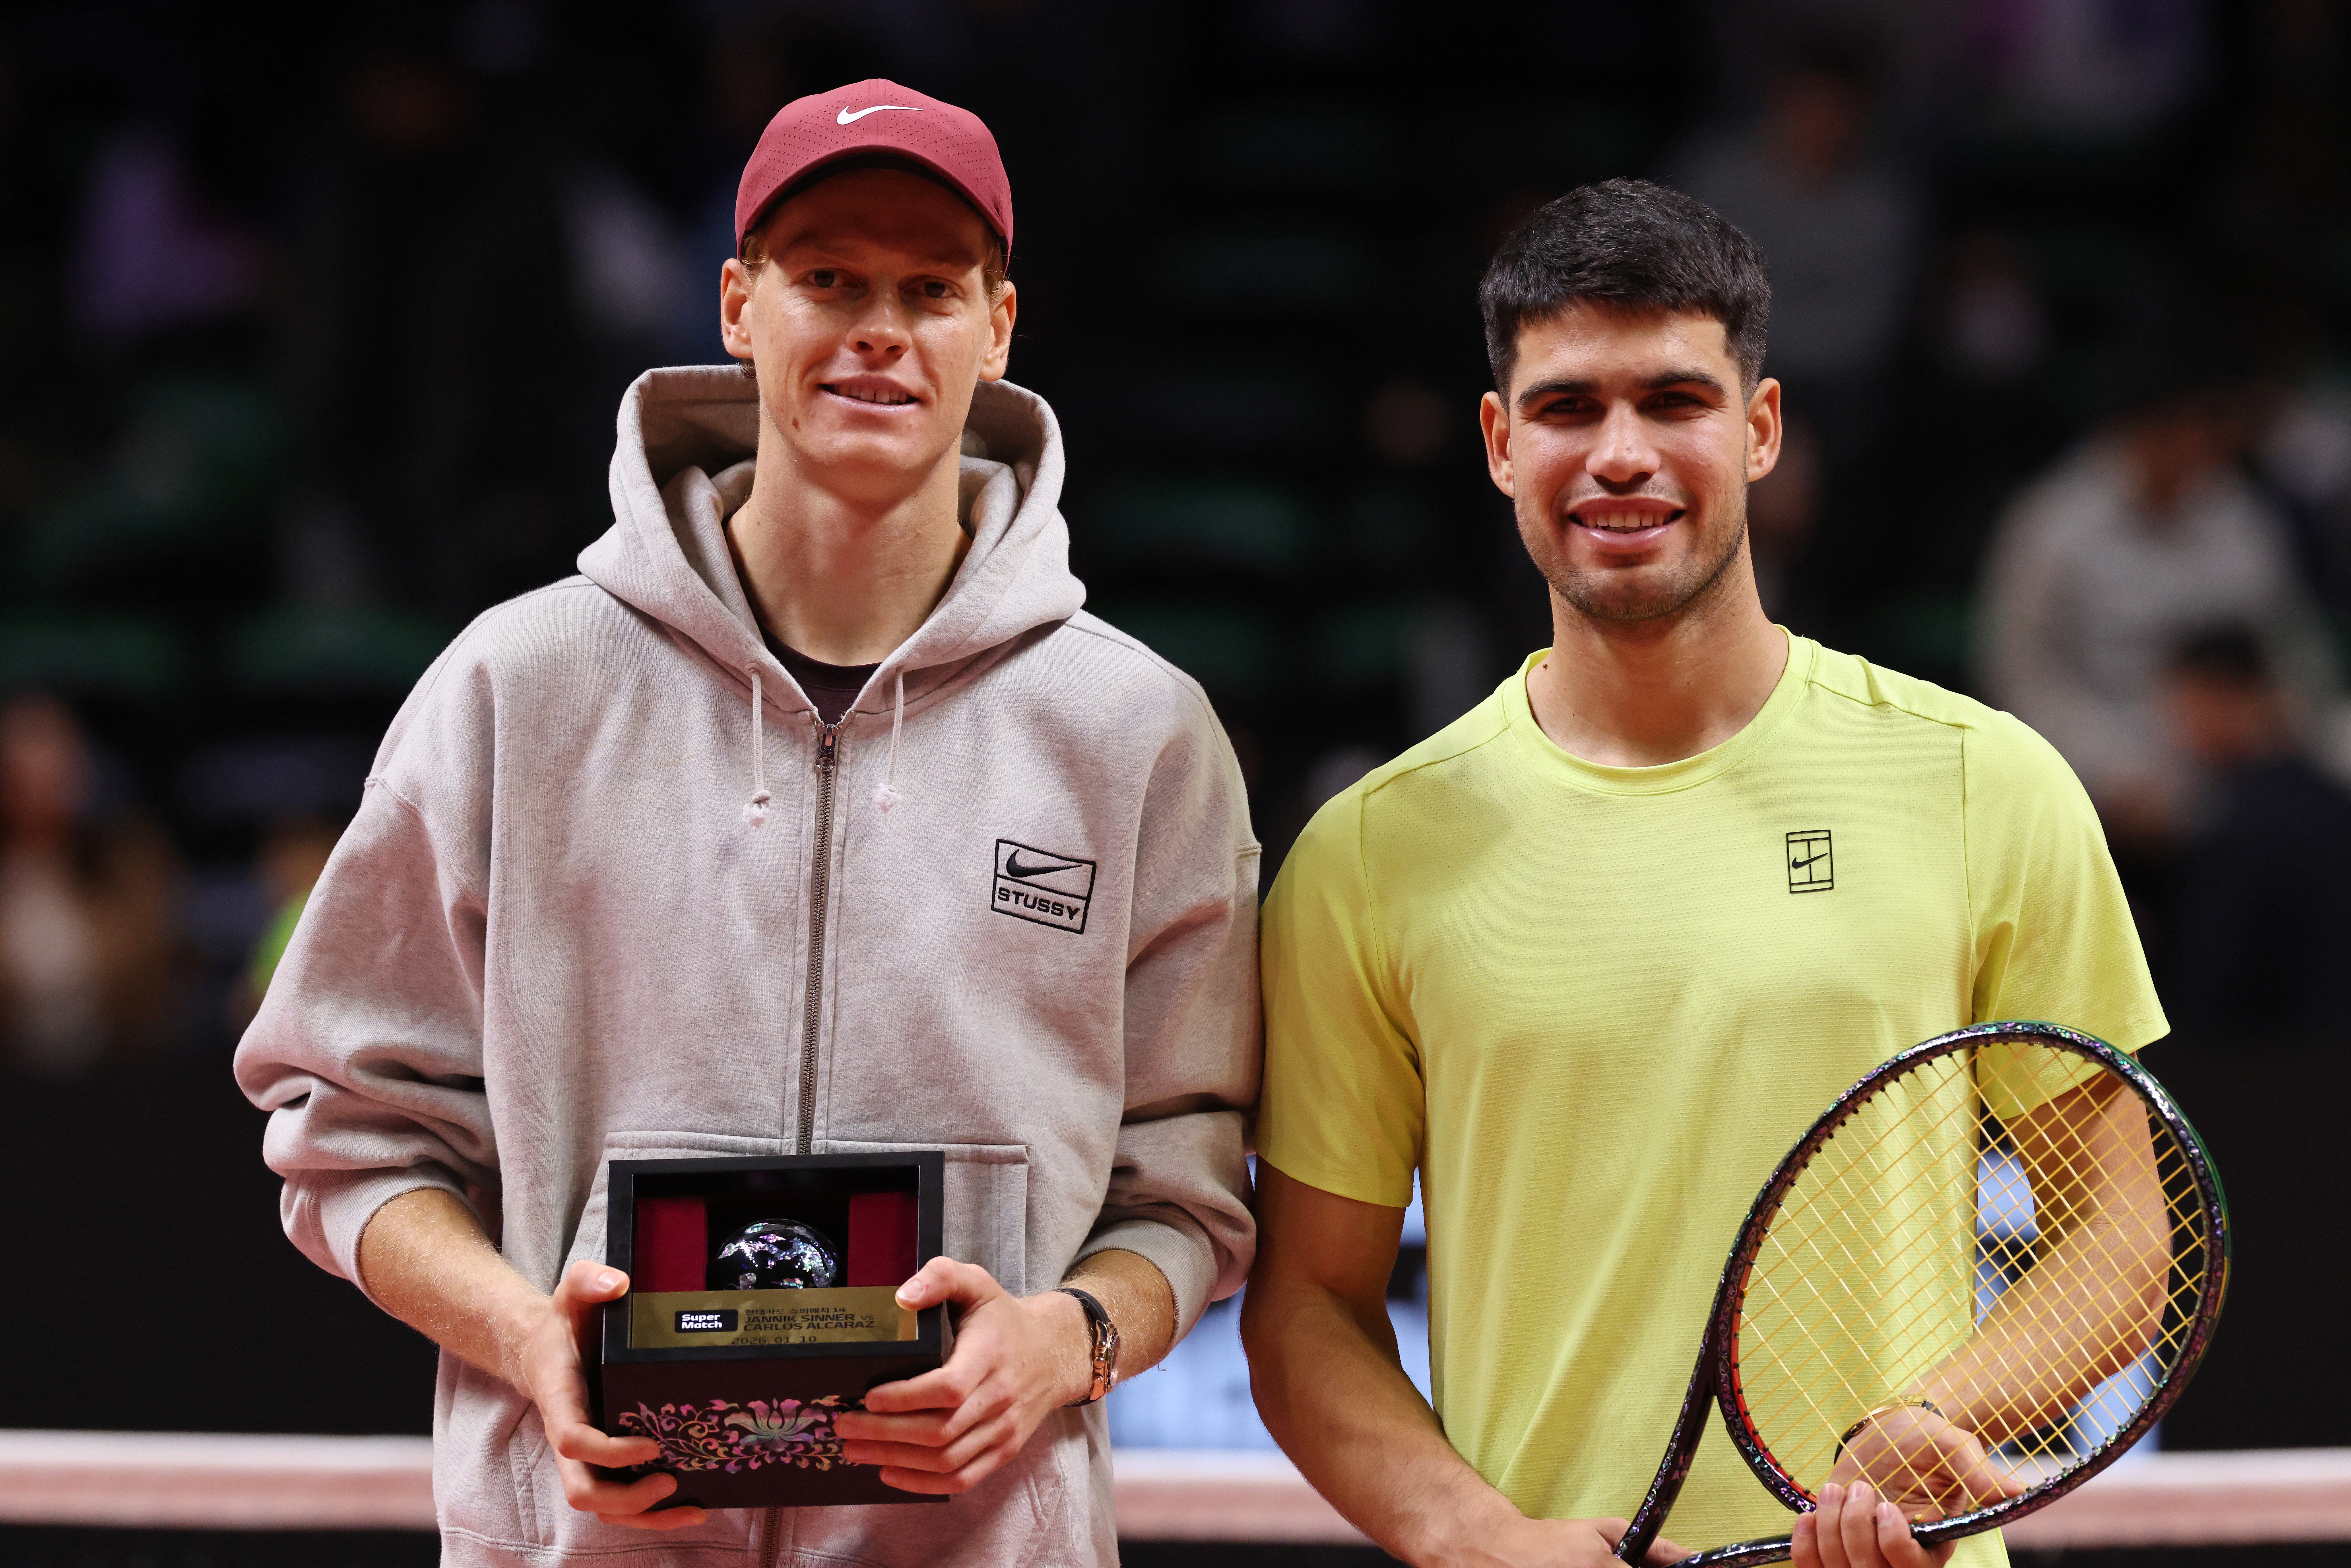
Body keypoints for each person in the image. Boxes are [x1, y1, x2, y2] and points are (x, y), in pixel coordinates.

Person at [235, 80, 1259, 1567]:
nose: (877, 328)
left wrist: (1065, 1337)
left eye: (930, 288)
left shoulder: (1138, 730)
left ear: (1000, 329)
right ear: (736, 303)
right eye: (826, 278)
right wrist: (529, 1337)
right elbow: (346, 1134)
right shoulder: (521, 688)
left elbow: (1195, 1185)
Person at [1243, 179, 2164, 1568]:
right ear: (1499, 443)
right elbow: (1309, 1300)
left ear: (1761, 427)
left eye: (1674, 400)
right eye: (1566, 408)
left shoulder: (1986, 782)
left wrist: (1944, 1415)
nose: (1621, 455)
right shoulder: (1370, 854)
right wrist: (1473, 1536)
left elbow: (2119, 1236)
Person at [1974, 374, 2340, 845]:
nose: (2195, 450)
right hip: (2106, 750)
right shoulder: (2052, 526)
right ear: (2135, 432)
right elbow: (2019, 680)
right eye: (2179, 431)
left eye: (2206, 434)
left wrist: (2264, 720)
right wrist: (2107, 770)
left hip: (2236, 752)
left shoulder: (2239, 516)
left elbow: (2291, 651)